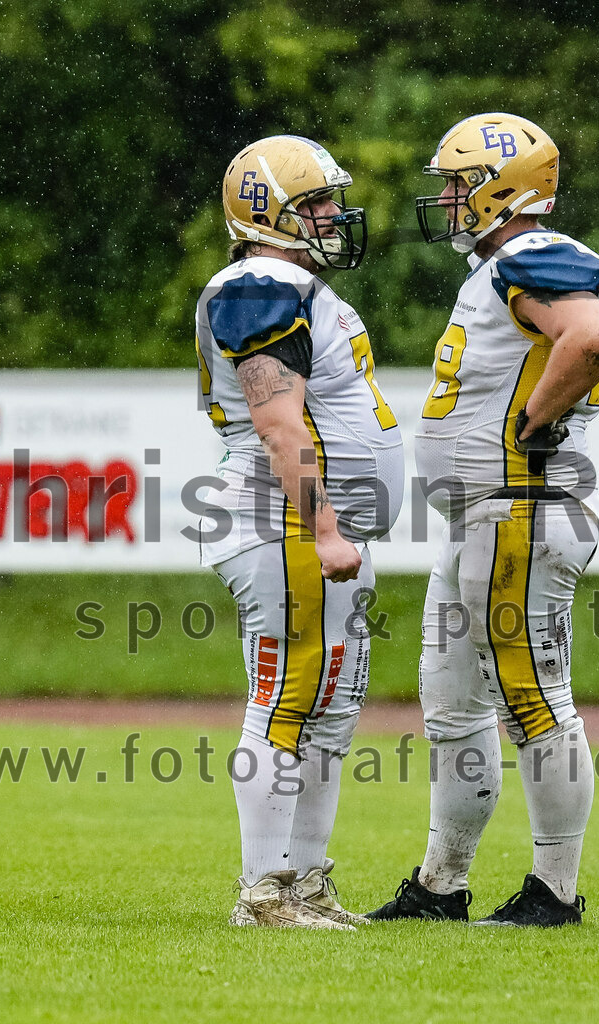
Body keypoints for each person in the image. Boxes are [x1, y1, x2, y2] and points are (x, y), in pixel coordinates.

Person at [367, 113, 599, 926]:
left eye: (458, 182)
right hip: (487, 516)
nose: (445, 198)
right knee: (451, 703)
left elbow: (592, 336)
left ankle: (555, 893)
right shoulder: (501, 267)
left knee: (534, 698)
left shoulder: (532, 253)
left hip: (521, 511)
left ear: (501, 187)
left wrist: (530, 427)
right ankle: (442, 886)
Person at [195, 135, 403, 930]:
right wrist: (321, 527)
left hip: (314, 525)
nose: (332, 216)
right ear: (265, 213)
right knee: (286, 695)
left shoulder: (292, 284)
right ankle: (264, 891)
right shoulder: (260, 281)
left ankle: (307, 882)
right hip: (280, 516)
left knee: (331, 704)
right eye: (314, 203)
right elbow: (280, 425)